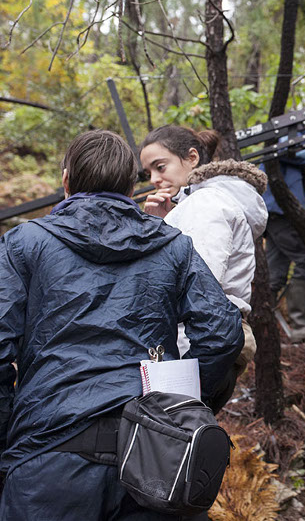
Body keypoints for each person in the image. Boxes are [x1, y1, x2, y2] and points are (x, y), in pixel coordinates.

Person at [0, 130, 243, 519]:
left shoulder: (25, 243)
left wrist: (8, 438)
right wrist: (185, 408)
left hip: (48, 454)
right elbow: (223, 334)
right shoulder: (172, 245)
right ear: (131, 185)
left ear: (66, 181)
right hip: (156, 456)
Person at [141, 125, 268, 412]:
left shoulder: (206, 203)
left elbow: (198, 282)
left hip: (194, 345)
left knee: (172, 442)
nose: (154, 179)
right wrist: (162, 224)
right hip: (206, 343)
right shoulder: (197, 204)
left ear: (192, 158)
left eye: (160, 167)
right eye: (148, 172)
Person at [261, 144, 305, 342]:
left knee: (275, 273)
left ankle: (262, 325)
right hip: (282, 212)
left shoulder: (299, 136)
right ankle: (301, 326)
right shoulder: (293, 134)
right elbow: (282, 149)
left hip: (278, 212)